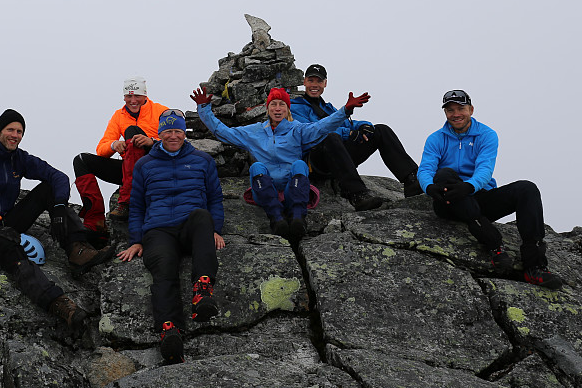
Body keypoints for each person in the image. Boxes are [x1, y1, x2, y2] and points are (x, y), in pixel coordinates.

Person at [0, 109, 116, 333]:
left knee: (49, 190)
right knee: (10, 249)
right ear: (0, 131)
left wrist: (58, 207)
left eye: (20, 131)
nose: (15, 135)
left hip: (6, 222)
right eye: (11, 129)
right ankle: (58, 304)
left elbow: (58, 177)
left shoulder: (18, 158)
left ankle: (78, 250)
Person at [417, 90, 563, 289]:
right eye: (450, 110)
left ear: (471, 109)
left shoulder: (486, 135)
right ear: (445, 113)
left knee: (527, 189)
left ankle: (535, 266)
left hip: (479, 198)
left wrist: (469, 186)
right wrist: (429, 187)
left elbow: (485, 169)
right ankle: (493, 243)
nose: (456, 114)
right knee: (443, 174)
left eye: (461, 108)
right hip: (448, 202)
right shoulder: (436, 139)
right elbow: (425, 169)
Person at [192, 85, 370, 242]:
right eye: (273, 105)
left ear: (288, 109)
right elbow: (222, 132)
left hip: (292, 186)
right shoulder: (254, 132)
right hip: (265, 186)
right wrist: (204, 108)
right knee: (256, 167)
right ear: (267, 108)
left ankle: (298, 218)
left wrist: (345, 110)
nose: (277, 109)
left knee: (299, 165)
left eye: (282, 105)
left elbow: (322, 127)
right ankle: (276, 218)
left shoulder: (297, 129)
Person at [117, 109, 225, 364]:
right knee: (164, 267)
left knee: (202, 216)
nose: (173, 136)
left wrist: (216, 229)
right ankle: (170, 331)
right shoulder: (145, 164)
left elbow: (215, 199)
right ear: (160, 133)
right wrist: (136, 240)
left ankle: (202, 290)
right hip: (158, 230)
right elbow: (138, 205)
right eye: (168, 131)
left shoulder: (202, 161)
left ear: (184, 133)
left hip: (190, 225)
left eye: (178, 131)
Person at [291, 64, 423, 210]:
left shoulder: (327, 108)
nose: (314, 85)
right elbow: (312, 132)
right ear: (304, 82)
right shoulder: (294, 107)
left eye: (319, 81)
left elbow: (346, 123)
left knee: (380, 130)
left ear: (325, 83)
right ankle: (357, 194)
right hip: (315, 162)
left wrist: (363, 126)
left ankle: (412, 180)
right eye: (311, 80)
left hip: (338, 156)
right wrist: (349, 134)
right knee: (330, 137)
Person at [72, 76, 169, 245]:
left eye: (137, 96)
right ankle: (96, 221)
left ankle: (125, 201)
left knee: (132, 131)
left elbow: (176, 141)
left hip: (155, 166)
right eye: (128, 96)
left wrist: (151, 142)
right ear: (124, 97)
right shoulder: (119, 116)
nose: (133, 100)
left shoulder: (161, 111)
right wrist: (114, 144)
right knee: (81, 160)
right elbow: (101, 149)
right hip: (128, 170)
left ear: (145, 96)